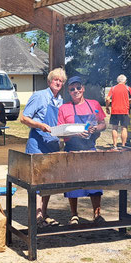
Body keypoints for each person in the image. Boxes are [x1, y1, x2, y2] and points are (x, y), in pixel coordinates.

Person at [20, 67, 67, 227]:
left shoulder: (60, 100)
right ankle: (36, 217)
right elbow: (24, 118)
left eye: (61, 81)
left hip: (52, 144)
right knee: (36, 183)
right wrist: (40, 125)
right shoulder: (39, 96)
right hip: (37, 144)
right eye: (56, 80)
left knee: (48, 182)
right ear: (49, 81)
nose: (58, 83)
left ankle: (43, 213)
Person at [58, 76, 107, 224]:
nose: (76, 91)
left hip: (90, 148)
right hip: (72, 149)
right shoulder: (64, 108)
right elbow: (60, 131)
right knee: (72, 183)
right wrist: (75, 132)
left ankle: (97, 214)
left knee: (94, 182)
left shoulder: (94, 105)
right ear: (69, 91)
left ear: (83, 88)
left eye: (78, 87)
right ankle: (74, 214)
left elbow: (103, 123)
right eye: (72, 89)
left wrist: (96, 128)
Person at [105, 74, 131, 149]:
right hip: (124, 111)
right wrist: (128, 100)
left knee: (114, 128)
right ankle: (123, 145)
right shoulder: (128, 88)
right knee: (124, 128)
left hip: (115, 111)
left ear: (117, 81)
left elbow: (107, 98)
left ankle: (114, 145)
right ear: (125, 81)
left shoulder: (113, 88)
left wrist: (107, 107)